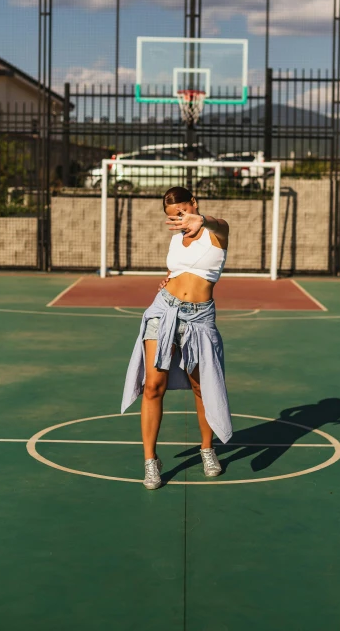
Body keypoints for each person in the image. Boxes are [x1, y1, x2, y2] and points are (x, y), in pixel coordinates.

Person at [121, 185, 233, 490]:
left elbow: (221, 225)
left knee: (202, 387)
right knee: (153, 386)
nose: (180, 220)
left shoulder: (215, 233)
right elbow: (178, 270)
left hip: (200, 318)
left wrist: (203, 220)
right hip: (164, 311)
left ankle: (207, 450)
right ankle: (150, 461)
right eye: (173, 217)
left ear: (193, 204)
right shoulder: (175, 240)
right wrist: (170, 278)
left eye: (182, 213)